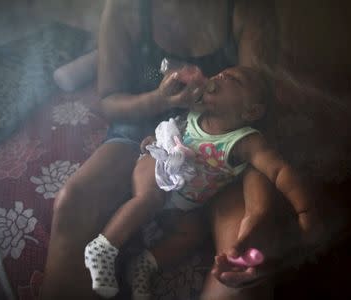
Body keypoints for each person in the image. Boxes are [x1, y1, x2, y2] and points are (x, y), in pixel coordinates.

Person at [41, 1, 302, 300]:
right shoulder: (126, 8)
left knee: (243, 265)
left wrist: (259, 212)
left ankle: (150, 263)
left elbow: (260, 121)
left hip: (225, 148)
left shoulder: (246, 10)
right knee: (72, 203)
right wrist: (161, 101)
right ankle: (102, 251)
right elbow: (110, 101)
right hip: (144, 132)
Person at [83, 65, 321, 299]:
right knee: (151, 197)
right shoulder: (197, 108)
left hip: (186, 203)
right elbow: (172, 121)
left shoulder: (245, 142)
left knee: (193, 233)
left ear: (252, 112)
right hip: (157, 168)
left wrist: (304, 207)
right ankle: (103, 247)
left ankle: (145, 263)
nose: (221, 75)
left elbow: (279, 171)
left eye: (234, 80)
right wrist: (154, 136)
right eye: (221, 73)